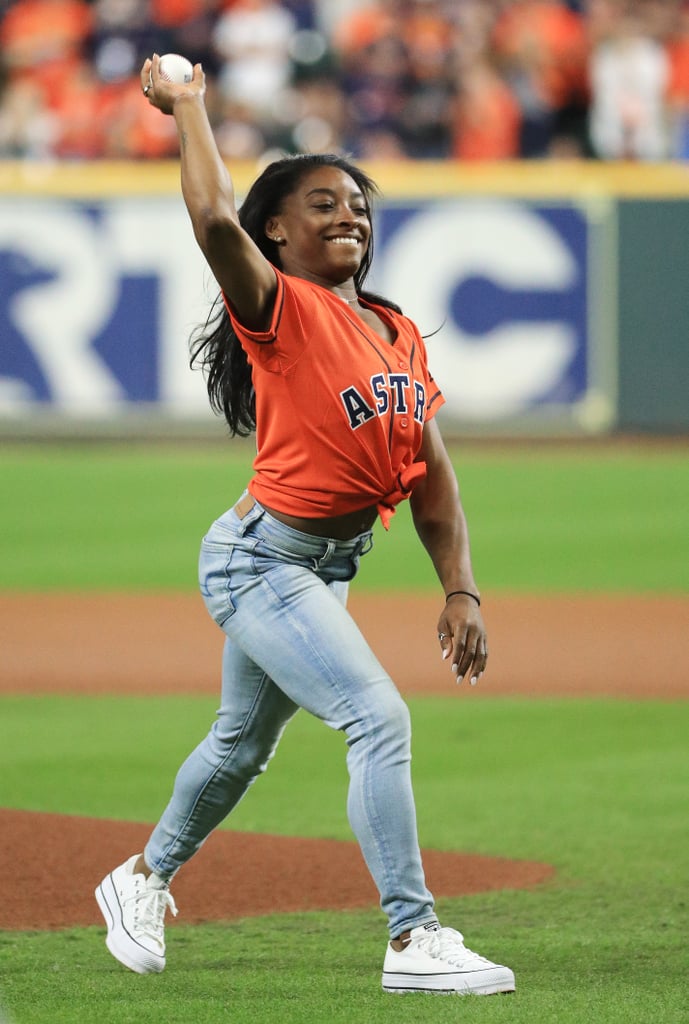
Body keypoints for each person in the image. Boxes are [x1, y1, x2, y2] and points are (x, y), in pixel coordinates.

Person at [94, 52, 515, 997]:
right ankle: (413, 938)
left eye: (357, 202)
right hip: (259, 562)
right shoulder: (281, 309)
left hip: (321, 570)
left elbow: (432, 474)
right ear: (275, 233)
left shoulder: (395, 331)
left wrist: (460, 585)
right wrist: (191, 108)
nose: (347, 213)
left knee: (242, 744)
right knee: (377, 717)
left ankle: (140, 876)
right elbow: (210, 217)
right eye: (321, 203)